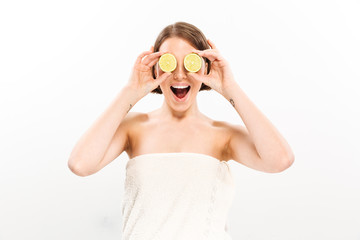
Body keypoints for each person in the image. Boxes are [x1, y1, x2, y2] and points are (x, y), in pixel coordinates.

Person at [68, 21, 295, 239]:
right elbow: (80, 164)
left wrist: (230, 87)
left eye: (190, 62)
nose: (178, 74)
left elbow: (280, 160)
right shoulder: (133, 128)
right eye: (169, 63)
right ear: (156, 68)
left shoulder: (222, 136)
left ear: (205, 66)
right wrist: (131, 90)